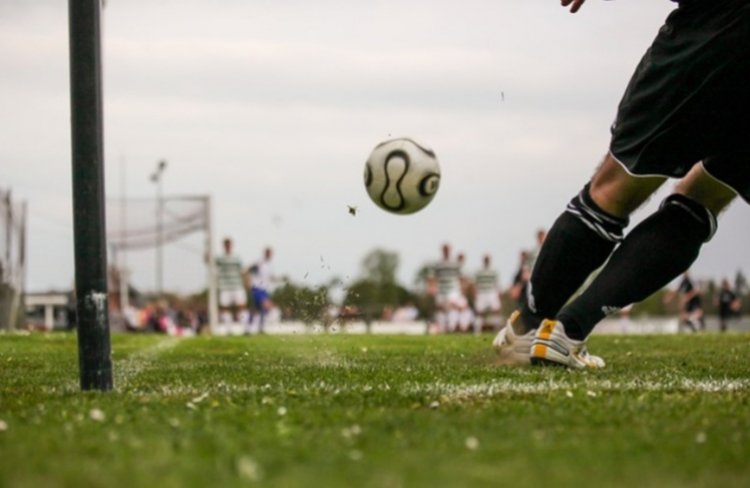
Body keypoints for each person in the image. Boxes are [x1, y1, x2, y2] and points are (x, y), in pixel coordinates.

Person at [494, 0, 750, 368]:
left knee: (613, 189)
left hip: (716, 24)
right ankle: (568, 330)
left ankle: (529, 328)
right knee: (706, 196)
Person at [426, 243, 467, 333]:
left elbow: (461, 276)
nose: (446, 251)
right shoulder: (438, 263)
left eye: (447, 249)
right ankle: (443, 327)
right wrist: (431, 287)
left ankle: (452, 327)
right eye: (444, 249)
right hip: (441, 290)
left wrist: (462, 288)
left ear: (450, 250)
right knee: (442, 308)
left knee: (453, 306)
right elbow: (432, 277)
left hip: (453, 289)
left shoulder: (455, 263)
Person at [215, 237, 248, 324]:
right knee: (225, 307)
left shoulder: (237, 257)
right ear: (224, 246)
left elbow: (242, 271)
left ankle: (245, 327)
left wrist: (247, 281)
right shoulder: (220, 258)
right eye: (226, 245)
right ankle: (228, 328)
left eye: (229, 244)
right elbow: (209, 262)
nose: (228, 246)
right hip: (225, 286)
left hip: (237, 285)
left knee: (241, 306)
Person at [247, 246, 276, 334]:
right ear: (265, 253)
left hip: (264, 290)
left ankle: (252, 328)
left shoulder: (269, 265)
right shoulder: (260, 262)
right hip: (257, 288)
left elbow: (269, 277)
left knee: (257, 310)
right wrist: (247, 281)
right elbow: (248, 270)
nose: (269, 255)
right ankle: (258, 327)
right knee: (266, 306)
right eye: (268, 252)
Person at [473, 254, 502, 334]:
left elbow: (497, 283)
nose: (486, 261)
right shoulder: (479, 272)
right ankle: (477, 332)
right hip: (482, 292)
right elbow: (476, 283)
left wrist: (498, 293)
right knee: (479, 312)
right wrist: (476, 293)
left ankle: (496, 330)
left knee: (496, 310)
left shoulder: (493, 271)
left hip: (491, 292)